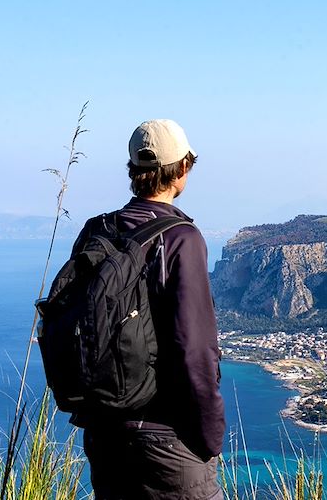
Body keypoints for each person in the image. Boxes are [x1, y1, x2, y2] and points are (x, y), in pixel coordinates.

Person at [73, 119, 225, 500]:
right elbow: (195, 349)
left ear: (133, 171)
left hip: (106, 434)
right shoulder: (181, 238)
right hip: (168, 437)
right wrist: (210, 437)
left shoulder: (97, 230)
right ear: (183, 170)